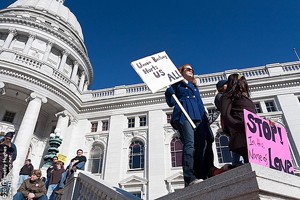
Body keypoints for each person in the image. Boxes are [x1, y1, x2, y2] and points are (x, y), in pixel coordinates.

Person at [165, 64, 214, 187]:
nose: (191, 71)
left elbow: (200, 105)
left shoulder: (194, 87)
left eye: (192, 69)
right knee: (190, 144)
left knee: (202, 145)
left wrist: (206, 123)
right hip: (184, 115)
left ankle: (201, 173)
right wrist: (169, 92)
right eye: (188, 69)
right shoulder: (176, 85)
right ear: (181, 72)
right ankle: (189, 177)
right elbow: (171, 102)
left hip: (198, 117)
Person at [221, 73, 256, 163]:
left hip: (253, 134)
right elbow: (226, 115)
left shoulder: (245, 98)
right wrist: (238, 126)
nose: (244, 83)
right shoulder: (228, 96)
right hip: (240, 133)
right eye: (242, 81)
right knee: (248, 159)